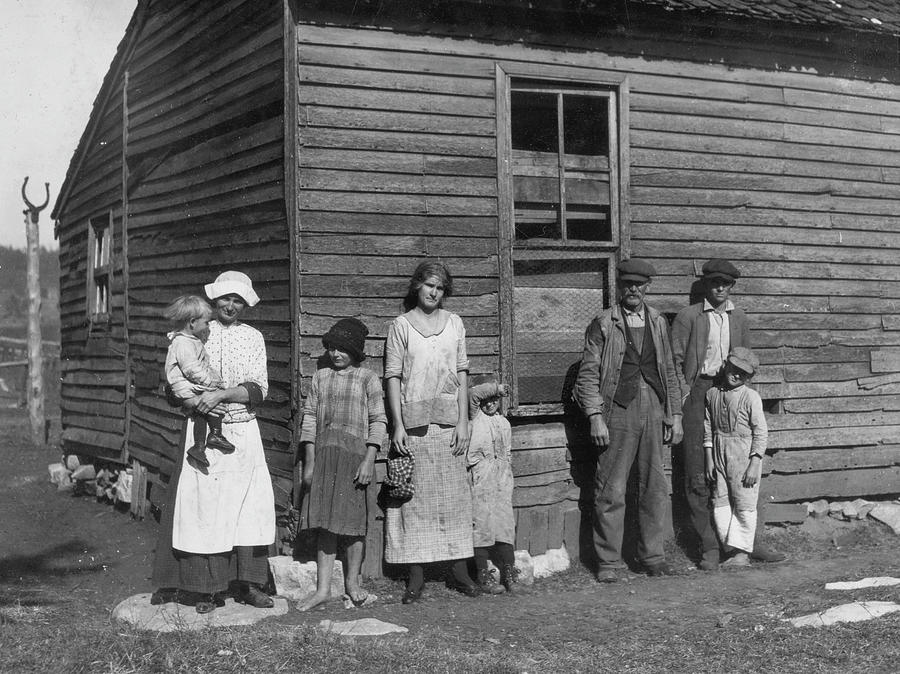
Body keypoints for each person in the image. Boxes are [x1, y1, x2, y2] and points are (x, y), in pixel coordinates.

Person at [151, 270, 276, 614]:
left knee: (248, 506)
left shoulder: (253, 337)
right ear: (214, 301)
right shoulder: (197, 330)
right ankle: (206, 588)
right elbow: (176, 372)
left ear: (246, 303)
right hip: (203, 431)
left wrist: (222, 393)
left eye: (238, 300)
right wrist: (190, 396)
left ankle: (248, 584)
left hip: (242, 428)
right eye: (225, 299)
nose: (231, 306)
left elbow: (258, 388)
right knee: (205, 509)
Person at [573, 258, 683, 583]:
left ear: (648, 287)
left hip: (654, 407)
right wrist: (594, 416)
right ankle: (608, 562)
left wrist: (674, 414)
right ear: (619, 286)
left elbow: (672, 372)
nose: (633, 290)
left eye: (639, 284)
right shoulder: (605, 323)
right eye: (627, 284)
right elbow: (588, 374)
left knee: (654, 486)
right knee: (611, 488)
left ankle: (653, 557)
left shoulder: (660, 322)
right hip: (617, 409)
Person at [671, 259, 782, 569]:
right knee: (699, 471)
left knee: (742, 467)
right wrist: (685, 395)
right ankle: (709, 547)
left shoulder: (739, 317)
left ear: (732, 286)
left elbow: (746, 358)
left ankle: (746, 543)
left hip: (730, 391)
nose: (720, 287)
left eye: (726, 283)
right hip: (698, 393)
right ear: (706, 284)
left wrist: (738, 391)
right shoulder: (688, 317)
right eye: (715, 282)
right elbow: (675, 361)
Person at [383, 261, 479, 603]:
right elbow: (393, 376)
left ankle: (458, 570)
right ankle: (416, 574)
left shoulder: (455, 323)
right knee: (416, 500)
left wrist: (465, 420)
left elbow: (463, 372)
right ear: (417, 288)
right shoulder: (401, 326)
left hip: (450, 423)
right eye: (428, 286)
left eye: (439, 287)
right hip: (413, 424)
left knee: (454, 499)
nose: (433, 292)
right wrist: (397, 424)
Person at [297, 318, 387, 611]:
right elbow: (309, 417)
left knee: (353, 524)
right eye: (332, 348)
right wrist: (310, 462)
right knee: (325, 523)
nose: (336, 354)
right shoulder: (320, 377)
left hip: (355, 458)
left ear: (356, 352)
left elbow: (378, 420)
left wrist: (368, 460)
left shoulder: (368, 378)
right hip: (325, 457)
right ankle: (323, 589)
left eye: (343, 349)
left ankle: (353, 583)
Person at [704, 347, 768, 568]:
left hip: (744, 454)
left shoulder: (751, 397)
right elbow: (707, 428)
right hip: (719, 451)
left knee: (744, 502)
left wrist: (754, 463)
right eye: (734, 369)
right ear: (726, 366)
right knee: (720, 501)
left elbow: (760, 432)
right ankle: (730, 549)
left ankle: (742, 554)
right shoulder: (712, 395)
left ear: (749, 377)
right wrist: (710, 458)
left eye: (744, 373)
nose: (737, 375)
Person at [162, 294, 235, 469]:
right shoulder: (183, 343)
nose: (208, 325)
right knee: (210, 400)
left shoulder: (191, 340)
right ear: (192, 322)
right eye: (206, 322)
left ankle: (199, 446)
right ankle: (214, 434)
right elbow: (191, 368)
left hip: (187, 385)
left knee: (202, 411)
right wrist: (210, 381)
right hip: (183, 386)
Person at [467, 379, 518, 595]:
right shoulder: (473, 417)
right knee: (481, 525)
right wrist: (498, 388)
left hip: (501, 479)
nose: (490, 405)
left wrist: (506, 474)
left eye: (494, 400)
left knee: (504, 525)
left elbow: (507, 452)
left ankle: (509, 574)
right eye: (486, 401)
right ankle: (483, 575)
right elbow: (473, 394)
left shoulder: (503, 423)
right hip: (480, 478)